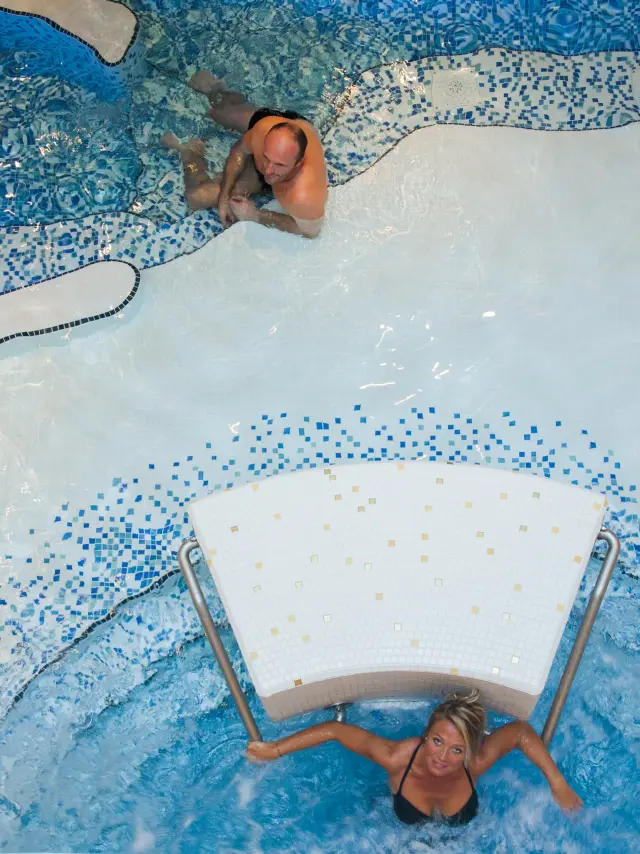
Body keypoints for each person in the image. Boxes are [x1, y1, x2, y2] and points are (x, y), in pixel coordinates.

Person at [247, 690, 583, 826]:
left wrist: (558, 784)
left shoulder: (475, 763)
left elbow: (521, 732)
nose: (442, 757)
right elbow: (336, 732)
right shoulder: (397, 758)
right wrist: (275, 750)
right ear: (425, 733)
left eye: (456, 749)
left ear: (470, 749)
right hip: (398, 833)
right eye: (437, 741)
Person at [161, 71, 327, 239]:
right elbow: (239, 150)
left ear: (298, 164)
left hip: (298, 135)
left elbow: (308, 232)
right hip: (278, 126)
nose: (268, 170)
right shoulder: (264, 131)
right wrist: (224, 197)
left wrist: (255, 215)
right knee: (217, 112)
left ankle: (189, 152)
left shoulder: (305, 194)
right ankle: (222, 92)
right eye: (265, 158)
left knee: (196, 197)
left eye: (279, 165)